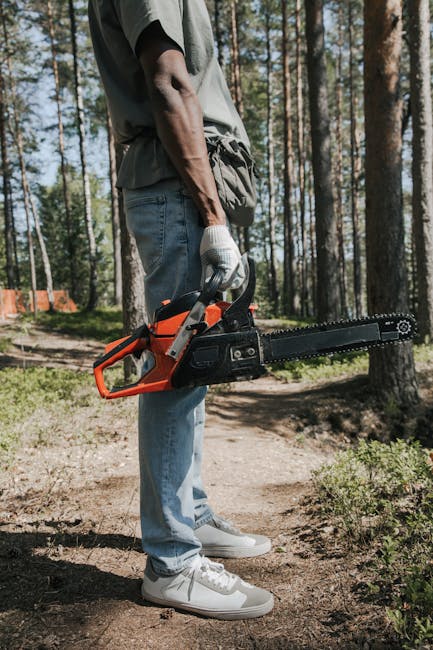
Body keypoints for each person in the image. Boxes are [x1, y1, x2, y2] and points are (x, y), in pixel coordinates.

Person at [88, 0, 274, 620]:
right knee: (175, 368)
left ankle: (189, 514)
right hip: (176, 185)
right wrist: (214, 218)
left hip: (179, 181)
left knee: (189, 365)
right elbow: (167, 77)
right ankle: (172, 561)